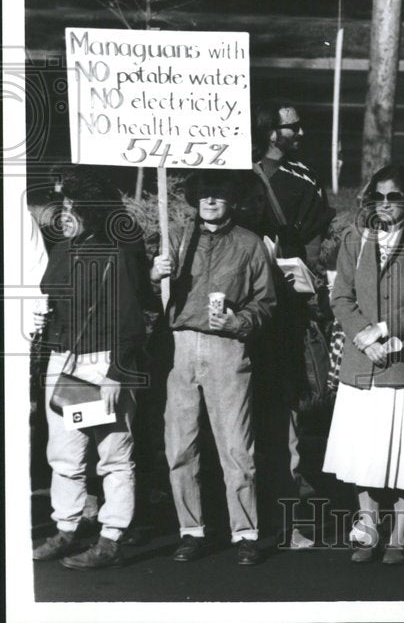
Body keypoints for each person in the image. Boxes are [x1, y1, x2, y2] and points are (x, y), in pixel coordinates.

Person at [152, 170, 276, 566]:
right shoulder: (176, 239)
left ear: (232, 201)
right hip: (182, 347)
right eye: (204, 194)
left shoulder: (249, 244)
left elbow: (266, 301)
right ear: (194, 199)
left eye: (218, 195)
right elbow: (146, 294)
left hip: (228, 349)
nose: (210, 201)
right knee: (180, 445)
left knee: (237, 448)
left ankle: (246, 534)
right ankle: (191, 531)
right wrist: (154, 276)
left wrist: (239, 322)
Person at [32, 167, 152, 570]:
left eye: (71, 206)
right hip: (66, 362)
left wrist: (118, 372)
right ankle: (66, 528)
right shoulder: (65, 248)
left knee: (113, 455)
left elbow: (132, 319)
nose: (62, 213)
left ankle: (112, 537)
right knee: (65, 454)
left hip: (104, 363)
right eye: (62, 204)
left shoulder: (115, 252)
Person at [323, 164, 404, 565]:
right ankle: (369, 529)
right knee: (362, 453)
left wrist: (383, 331)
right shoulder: (355, 239)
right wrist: (363, 335)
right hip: (362, 363)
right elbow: (341, 297)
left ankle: (399, 536)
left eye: (394, 196)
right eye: (379, 196)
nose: (385, 204)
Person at [248, 100, 333, 548]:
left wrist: (311, 278)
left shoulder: (303, 178)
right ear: (270, 131)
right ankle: (251, 517)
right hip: (245, 316)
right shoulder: (238, 176)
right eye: (291, 127)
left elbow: (317, 242)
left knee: (286, 420)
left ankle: (289, 518)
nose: (300, 133)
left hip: (286, 316)